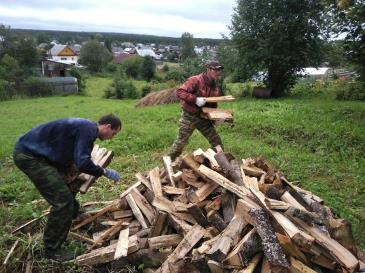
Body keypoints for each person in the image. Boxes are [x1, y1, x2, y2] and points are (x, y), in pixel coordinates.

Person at [13, 114, 122, 262]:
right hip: (30, 156)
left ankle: (73, 212)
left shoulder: (86, 128)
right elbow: (82, 162)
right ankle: (52, 251)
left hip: (38, 154)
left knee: (65, 191)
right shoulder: (88, 129)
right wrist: (104, 171)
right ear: (108, 126)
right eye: (113, 133)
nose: (112, 137)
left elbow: (72, 155)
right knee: (62, 201)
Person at [168, 60, 224, 160]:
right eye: (215, 70)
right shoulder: (195, 80)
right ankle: (168, 162)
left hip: (203, 118)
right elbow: (180, 92)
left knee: (217, 143)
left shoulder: (215, 87)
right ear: (208, 69)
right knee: (181, 143)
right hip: (189, 116)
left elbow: (213, 104)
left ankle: (216, 163)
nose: (218, 73)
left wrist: (215, 117)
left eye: (219, 70)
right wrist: (195, 99)